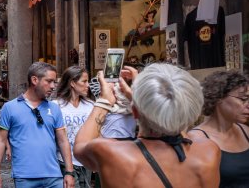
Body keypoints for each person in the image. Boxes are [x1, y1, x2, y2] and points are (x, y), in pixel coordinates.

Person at [74, 64, 221, 187]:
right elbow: (177, 122)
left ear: (135, 112)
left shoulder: (114, 154)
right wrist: (138, 97)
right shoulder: (209, 151)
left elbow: (80, 146)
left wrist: (104, 101)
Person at [0, 62, 75, 188]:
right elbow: (1, 140)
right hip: (24, 177)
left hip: (54, 176)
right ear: (34, 80)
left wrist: (69, 172)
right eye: (49, 81)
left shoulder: (54, 108)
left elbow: (63, 141)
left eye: (54, 82)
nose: (53, 86)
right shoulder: (10, 108)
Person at [188, 71, 249, 187]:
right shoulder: (196, 139)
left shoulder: (245, 131)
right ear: (219, 97)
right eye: (243, 99)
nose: (248, 105)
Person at [55, 66, 94, 188]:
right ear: (72, 83)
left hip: (85, 161)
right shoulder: (56, 106)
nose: (88, 85)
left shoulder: (90, 105)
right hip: (63, 162)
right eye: (84, 81)